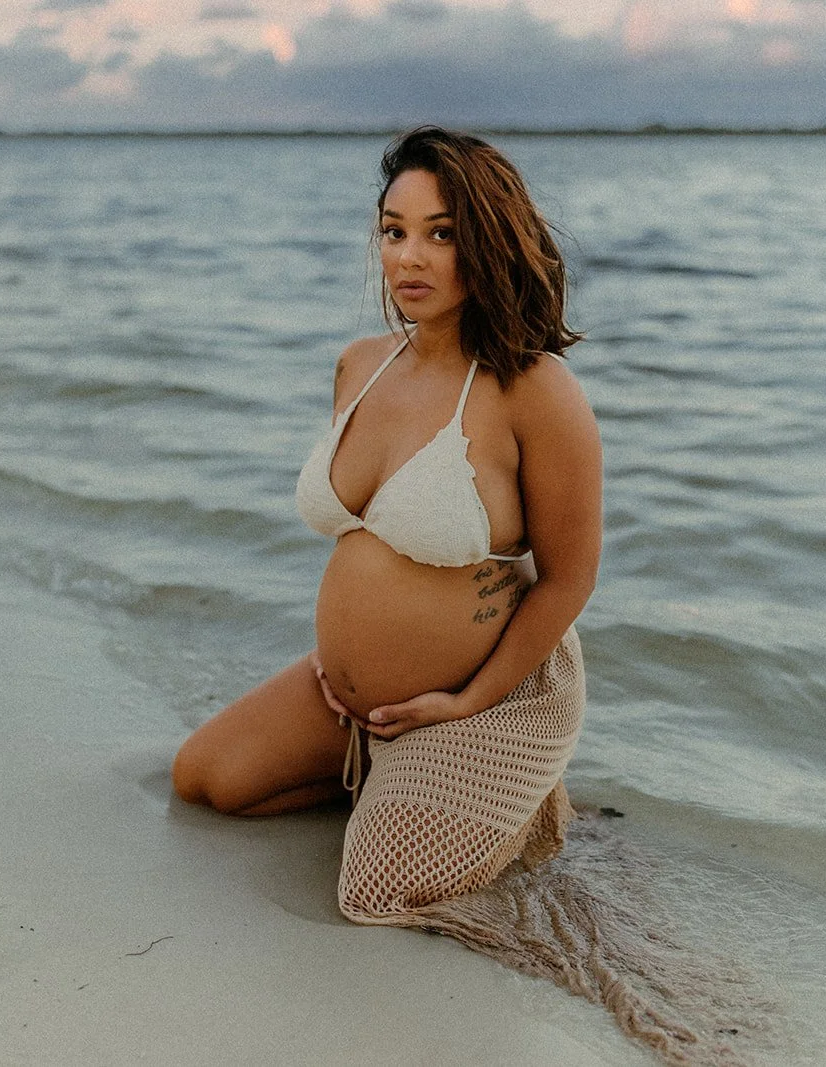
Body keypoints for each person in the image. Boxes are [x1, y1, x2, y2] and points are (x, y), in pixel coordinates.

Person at [172, 126, 602, 922]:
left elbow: (570, 576)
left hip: (490, 697)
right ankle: (378, 769)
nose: (410, 258)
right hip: (345, 699)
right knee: (205, 779)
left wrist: (468, 699)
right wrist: (358, 663)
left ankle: (494, 787)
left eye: (442, 234)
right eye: (393, 232)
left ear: (490, 240)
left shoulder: (534, 389)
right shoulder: (360, 364)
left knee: (374, 890)